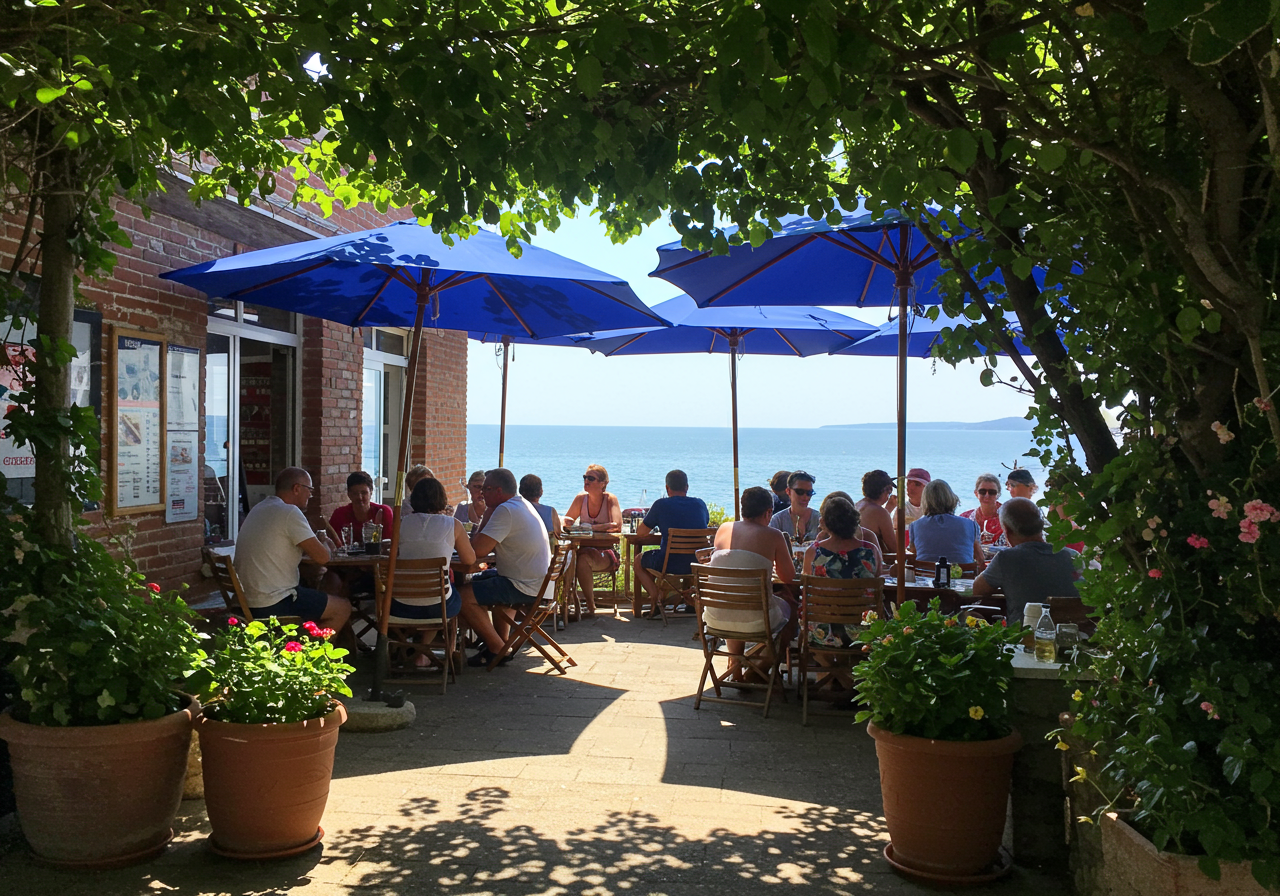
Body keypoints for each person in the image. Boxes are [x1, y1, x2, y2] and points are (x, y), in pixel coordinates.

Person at [456, 468, 553, 668]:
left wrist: (487, 513)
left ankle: (496, 647)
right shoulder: (521, 503)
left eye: (486, 489)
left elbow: (477, 550)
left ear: (498, 491)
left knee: (461, 596)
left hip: (522, 585)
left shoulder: (505, 511)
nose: (482, 493)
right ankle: (498, 641)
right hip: (538, 583)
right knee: (478, 580)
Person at [234, 467, 351, 629]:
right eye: (309, 489)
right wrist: (323, 540)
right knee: (343, 608)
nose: (310, 495)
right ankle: (313, 646)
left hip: (247, 602)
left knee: (316, 586)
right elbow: (323, 558)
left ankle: (307, 640)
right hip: (273, 602)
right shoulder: (289, 512)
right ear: (297, 488)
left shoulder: (258, 508)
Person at [706, 486, 797, 678]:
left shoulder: (724, 529)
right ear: (768, 512)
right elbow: (788, 577)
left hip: (716, 616)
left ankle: (735, 666)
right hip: (756, 621)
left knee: (735, 598)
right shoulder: (774, 535)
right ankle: (758, 671)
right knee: (792, 611)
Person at [972, 497, 1080, 620]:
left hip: (1026, 631)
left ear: (1007, 531)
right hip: (1074, 628)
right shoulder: (1072, 556)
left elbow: (978, 590)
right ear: (1041, 526)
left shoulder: (1007, 558)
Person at [803, 496, 882, 648]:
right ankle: (848, 663)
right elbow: (877, 578)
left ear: (825, 523)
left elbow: (808, 585)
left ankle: (829, 663)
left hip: (823, 630)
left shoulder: (813, 552)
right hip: (862, 629)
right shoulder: (870, 550)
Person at [393, 477, 475, 621]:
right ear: (442, 499)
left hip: (401, 605)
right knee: (459, 593)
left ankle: (421, 635)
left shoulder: (401, 524)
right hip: (439, 606)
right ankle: (431, 635)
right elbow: (469, 560)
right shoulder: (453, 524)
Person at [634, 469, 710, 614]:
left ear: (667, 488)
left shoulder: (660, 505)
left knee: (638, 561)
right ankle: (690, 601)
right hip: (696, 563)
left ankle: (656, 597)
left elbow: (641, 532)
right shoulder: (700, 504)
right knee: (686, 557)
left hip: (669, 563)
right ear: (687, 487)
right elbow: (704, 525)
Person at [562, 463, 622, 617]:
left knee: (582, 560)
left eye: (591, 478)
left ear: (603, 483)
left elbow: (616, 526)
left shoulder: (610, 499)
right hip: (582, 550)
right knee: (565, 558)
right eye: (585, 477)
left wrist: (589, 528)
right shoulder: (580, 499)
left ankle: (590, 606)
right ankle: (565, 602)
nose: (586, 481)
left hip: (606, 552)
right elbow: (566, 523)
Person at [908, 479, 983, 567]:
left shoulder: (916, 526)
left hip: (926, 573)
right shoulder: (970, 525)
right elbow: (980, 559)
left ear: (925, 501)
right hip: (962, 574)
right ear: (951, 498)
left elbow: (912, 558)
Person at [329, 470, 394, 546]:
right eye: (355, 493)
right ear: (349, 494)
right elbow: (333, 544)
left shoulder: (384, 512)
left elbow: (388, 544)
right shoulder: (339, 514)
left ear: (371, 492)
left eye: (364, 493)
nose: (359, 497)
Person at [855, 469, 898, 555]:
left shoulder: (857, 505)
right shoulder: (880, 513)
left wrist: (888, 509)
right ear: (887, 490)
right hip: (870, 559)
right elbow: (894, 549)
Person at [769, 470, 821, 542]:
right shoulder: (777, 520)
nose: (805, 497)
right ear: (788, 491)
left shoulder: (820, 519)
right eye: (800, 492)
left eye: (809, 493)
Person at [961, 473, 1007, 550]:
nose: (987, 495)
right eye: (982, 491)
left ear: (998, 494)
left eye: (992, 492)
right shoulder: (965, 518)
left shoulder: (1009, 518)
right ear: (976, 493)